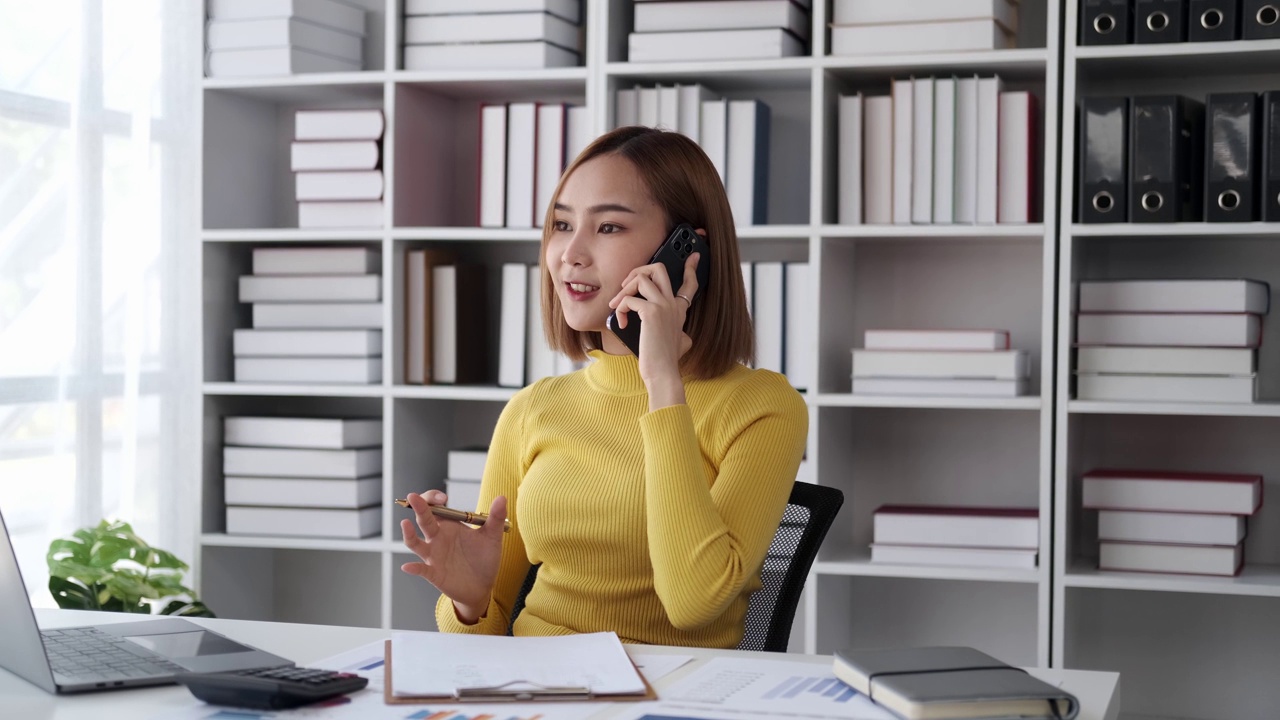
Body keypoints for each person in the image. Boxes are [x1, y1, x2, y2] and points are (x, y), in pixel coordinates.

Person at [399, 125, 808, 649]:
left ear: (688, 255)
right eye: (561, 224)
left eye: (609, 227)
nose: (570, 253)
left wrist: (662, 380)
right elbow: (487, 623)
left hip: (675, 696)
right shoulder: (533, 408)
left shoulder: (762, 406)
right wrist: (469, 602)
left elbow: (693, 603)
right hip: (538, 687)